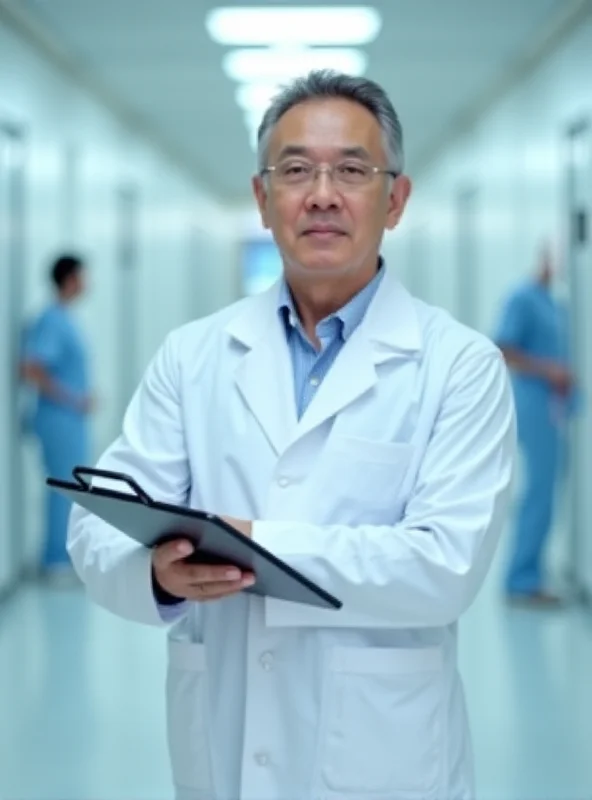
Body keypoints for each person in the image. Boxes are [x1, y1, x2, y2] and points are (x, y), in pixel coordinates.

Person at [68, 71, 515, 800]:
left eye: (352, 170)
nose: (323, 194)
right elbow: (98, 527)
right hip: (225, 736)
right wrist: (156, 573)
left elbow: (446, 565)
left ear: (395, 200)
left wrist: (254, 544)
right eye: (296, 170)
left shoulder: (460, 365)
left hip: (385, 755)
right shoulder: (194, 354)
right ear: (262, 198)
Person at [495, 245, 577, 606]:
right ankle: (522, 580)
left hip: (557, 409)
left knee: (549, 491)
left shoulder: (556, 303)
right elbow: (504, 348)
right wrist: (550, 370)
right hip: (535, 406)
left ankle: (534, 571)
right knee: (539, 493)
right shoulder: (522, 298)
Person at [22, 254, 93, 579]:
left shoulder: (64, 317)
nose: (87, 283)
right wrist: (74, 399)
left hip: (69, 420)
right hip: (58, 419)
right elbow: (31, 369)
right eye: (83, 277)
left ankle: (62, 557)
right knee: (63, 489)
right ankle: (55, 561)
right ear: (69, 280)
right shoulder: (51, 319)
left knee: (71, 488)